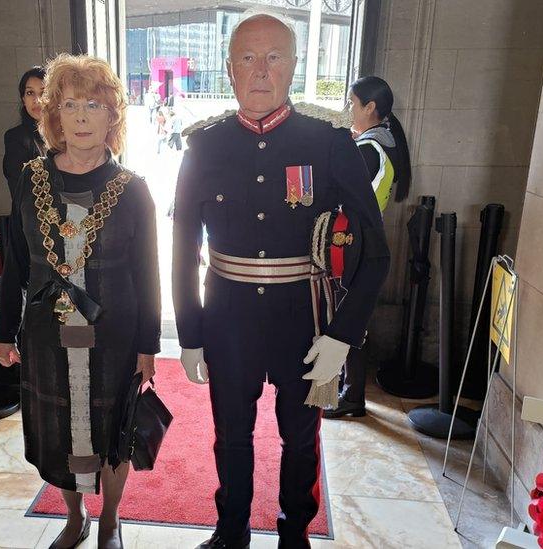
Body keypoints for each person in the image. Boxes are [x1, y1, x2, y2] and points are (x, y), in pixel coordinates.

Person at [172, 12, 390, 549]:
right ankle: (231, 530)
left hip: (304, 316)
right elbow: (183, 247)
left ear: (294, 65)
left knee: (300, 436)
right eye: (247, 58)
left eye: (274, 57)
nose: (261, 71)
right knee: (231, 436)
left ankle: (296, 533)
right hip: (228, 316)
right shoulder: (205, 145)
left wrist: (344, 334)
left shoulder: (330, 143)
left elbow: (376, 251)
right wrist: (190, 333)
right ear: (229, 70)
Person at [0, 53, 160, 549]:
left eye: (94, 104)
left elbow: (147, 275)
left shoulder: (133, 190)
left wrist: (149, 346)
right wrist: (4, 330)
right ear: (54, 116)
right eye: (70, 105)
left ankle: (109, 518)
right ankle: (73, 516)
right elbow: (17, 262)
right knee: (56, 430)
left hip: (116, 334)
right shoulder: (31, 179)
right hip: (46, 334)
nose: (82, 116)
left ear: (112, 116)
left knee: (113, 429)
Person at [324, 75, 413, 419]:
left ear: (370, 107)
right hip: (366, 239)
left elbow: (339, 194)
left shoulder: (368, 149)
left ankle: (352, 395)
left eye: (352, 103)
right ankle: (350, 391)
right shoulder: (382, 142)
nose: (349, 109)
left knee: (350, 318)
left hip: (356, 242)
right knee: (354, 316)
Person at [3, 67, 47, 200]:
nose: (37, 100)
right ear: (23, 98)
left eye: (43, 93)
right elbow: (22, 193)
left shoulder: (69, 135)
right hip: (32, 217)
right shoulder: (16, 138)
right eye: (30, 93)